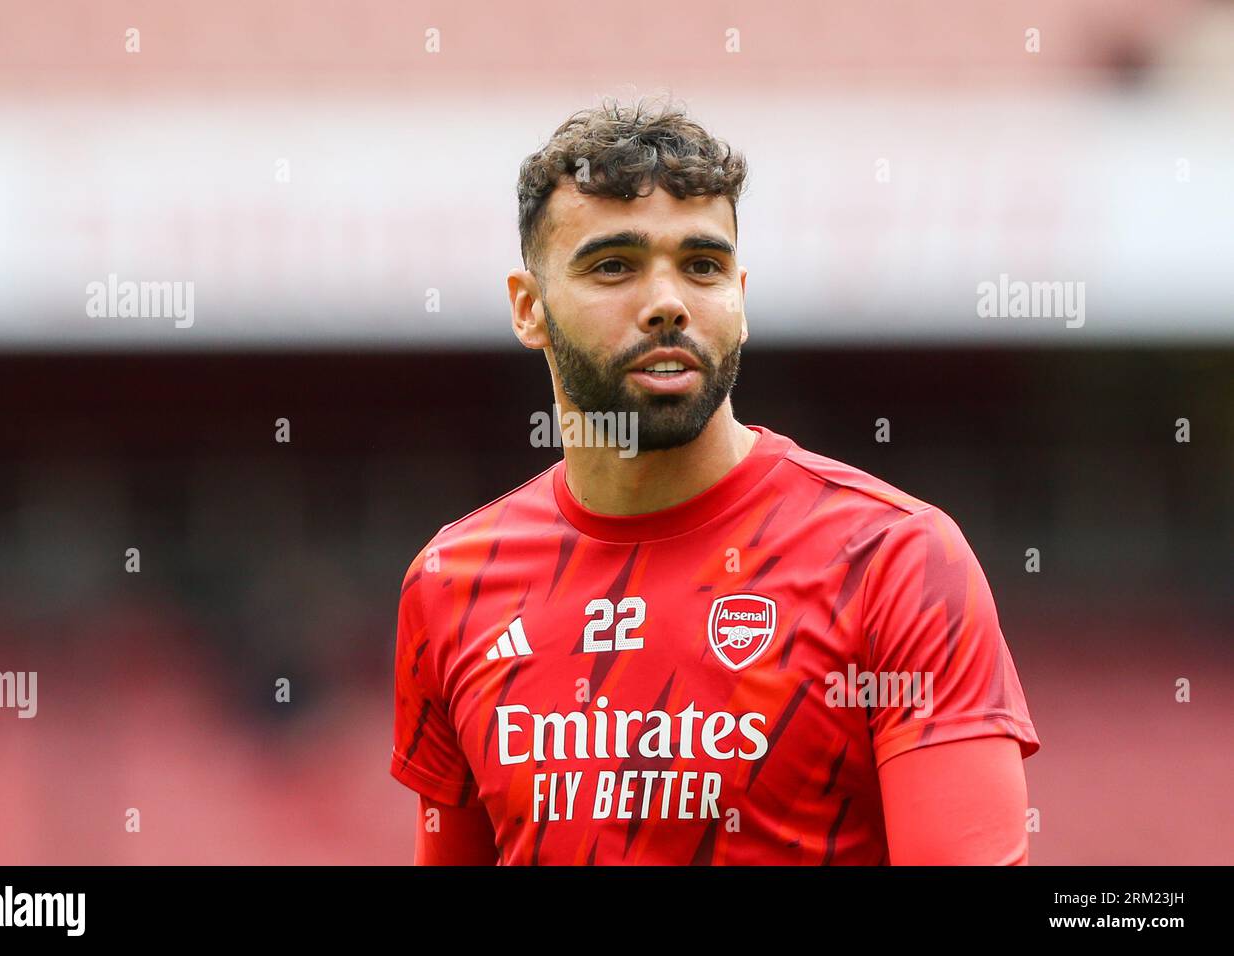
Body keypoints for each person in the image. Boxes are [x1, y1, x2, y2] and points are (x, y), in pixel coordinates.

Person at [391, 96, 1039, 865]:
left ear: (740, 299)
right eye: (613, 266)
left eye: (702, 265)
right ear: (529, 310)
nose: (668, 303)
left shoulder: (894, 561)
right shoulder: (451, 583)